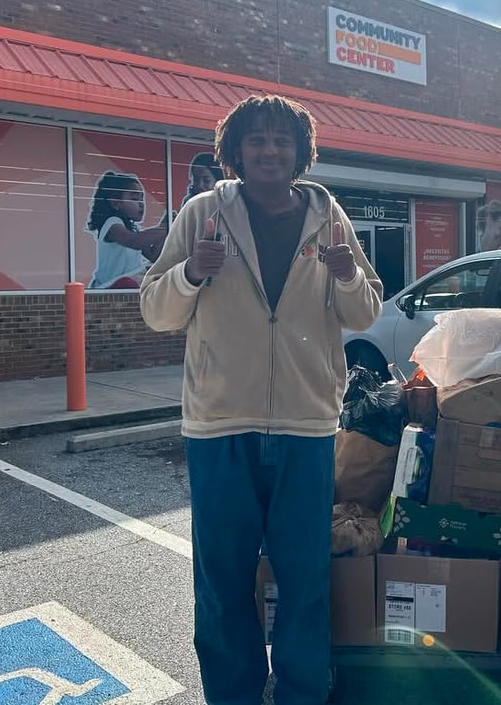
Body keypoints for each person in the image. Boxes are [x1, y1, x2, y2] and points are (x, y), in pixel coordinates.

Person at [140, 94, 382, 705]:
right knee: (222, 582)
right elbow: (156, 311)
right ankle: (233, 695)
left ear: (302, 151)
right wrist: (191, 272)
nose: (270, 151)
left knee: (306, 579)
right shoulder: (202, 214)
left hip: (306, 425)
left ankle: (301, 693)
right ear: (235, 151)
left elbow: (365, 311)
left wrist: (348, 272)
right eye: (257, 140)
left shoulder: (329, 217)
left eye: (282, 140)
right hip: (220, 424)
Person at [87, 171, 167, 289]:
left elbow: (153, 255)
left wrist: (165, 228)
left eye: (141, 199)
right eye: (135, 198)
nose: (141, 204)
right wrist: (165, 229)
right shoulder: (112, 223)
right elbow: (134, 241)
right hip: (107, 287)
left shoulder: (134, 230)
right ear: (115, 203)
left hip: (127, 285)